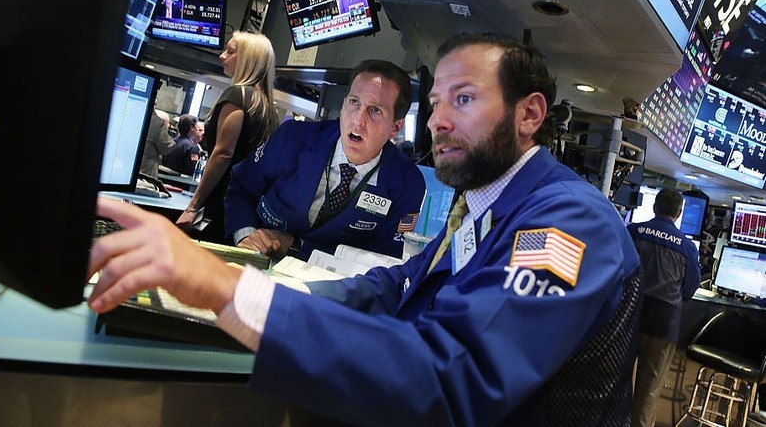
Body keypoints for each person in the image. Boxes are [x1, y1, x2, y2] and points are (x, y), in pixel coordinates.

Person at [88, 32, 642, 426]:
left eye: (465, 99)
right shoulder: (487, 203)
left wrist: (231, 292)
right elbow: (398, 285)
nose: (439, 120)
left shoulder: (568, 221)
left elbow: (456, 382)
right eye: (437, 101)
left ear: (529, 115)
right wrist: (254, 293)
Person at [223, 59, 426, 260]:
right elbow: (241, 188)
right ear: (344, 104)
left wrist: (297, 248)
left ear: (395, 127)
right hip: (255, 260)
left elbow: (384, 258)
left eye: (375, 110)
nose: (358, 120)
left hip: (328, 285)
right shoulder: (293, 137)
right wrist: (246, 238)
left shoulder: (408, 185)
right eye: (354, 103)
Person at [176, 31, 278, 244]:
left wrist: (193, 206)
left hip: (221, 204)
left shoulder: (237, 96)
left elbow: (223, 153)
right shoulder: (268, 109)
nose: (222, 56)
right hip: (246, 212)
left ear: (248, 60)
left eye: (230, 52)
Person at [629, 188, 701, 427]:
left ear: (654, 207)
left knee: (615, 380)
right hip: (663, 323)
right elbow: (690, 288)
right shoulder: (687, 247)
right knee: (648, 390)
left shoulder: (633, 231)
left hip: (627, 317)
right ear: (679, 213)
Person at [139, 109, 176, 179]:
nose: (169, 125)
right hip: (146, 174)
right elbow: (168, 146)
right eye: (168, 123)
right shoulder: (156, 122)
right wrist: (164, 131)